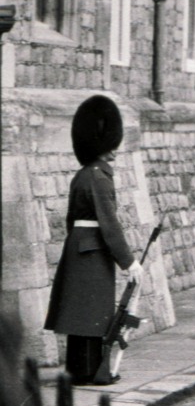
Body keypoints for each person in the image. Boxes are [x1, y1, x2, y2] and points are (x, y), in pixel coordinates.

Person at [43, 95, 134, 385]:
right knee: (92, 312)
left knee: (83, 312)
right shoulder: (98, 177)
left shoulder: (85, 174)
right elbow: (110, 225)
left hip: (81, 245)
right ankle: (92, 371)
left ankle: (82, 369)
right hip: (93, 248)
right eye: (111, 143)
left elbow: (72, 219)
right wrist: (129, 262)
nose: (115, 150)